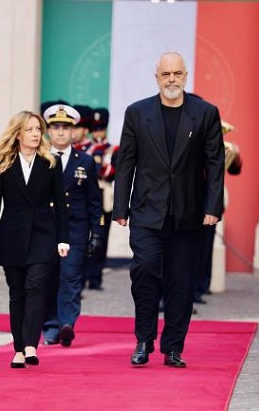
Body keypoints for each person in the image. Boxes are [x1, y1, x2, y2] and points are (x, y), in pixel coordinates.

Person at [113, 51, 224, 368]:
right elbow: (126, 163)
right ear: (157, 77)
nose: (171, 79)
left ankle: (173, 347)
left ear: (185, 76)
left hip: (188, 214)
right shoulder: (137, 113)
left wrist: (212, 207)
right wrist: (120, 208)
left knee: (181, 283)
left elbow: (215, 164)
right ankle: (143, 339)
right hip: (147, 212)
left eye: (177, 73)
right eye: (166, 74)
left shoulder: (205, 113)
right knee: (145, 273)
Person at [0, 110, 69, 368]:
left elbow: (61, 205)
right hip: (12, 236)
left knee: (36, 286)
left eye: (38, 129)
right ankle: (19, 348)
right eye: (29, 129)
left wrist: (63, 239)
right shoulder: (3, 163)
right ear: (18, 134)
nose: (35, 134)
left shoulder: (51, 162)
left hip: (43, 234)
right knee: (17, 292)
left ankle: (31, 344)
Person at [41, 104, 103, 347]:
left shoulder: (85, 161)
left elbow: (94, 200)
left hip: (75, 229)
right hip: (46, 228)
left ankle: (66, 323)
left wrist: (97, 231)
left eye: (65, 128)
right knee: (48, 278)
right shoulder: (40, 158)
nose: (60, 132)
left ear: (73, 131)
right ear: (48, 131)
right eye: (56, 127)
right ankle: (50, 326)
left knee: (71, 276)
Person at [194, 121, 242, 303]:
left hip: (212, 203)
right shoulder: (198, 148)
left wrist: (235, 157)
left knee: (206, 247)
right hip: (196, 202)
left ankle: (203, 285)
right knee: (195, 249)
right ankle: (193, 288)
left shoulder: (223, 149)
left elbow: (234, 171)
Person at [83, 107, 118, 291]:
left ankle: (96, 278)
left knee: (102, 236)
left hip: (104, 195)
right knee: (84, 235)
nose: (98, 132)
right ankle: (83, 276)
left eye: (101, 128)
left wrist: (100, 166)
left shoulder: (112, 149)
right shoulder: (87, 149)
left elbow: (111, 172)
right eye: (95, 129)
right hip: (87, 193)